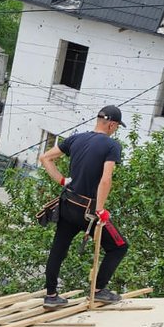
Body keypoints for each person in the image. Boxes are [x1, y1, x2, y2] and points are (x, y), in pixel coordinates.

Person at [38, 105, 130, 309]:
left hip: (68, 204)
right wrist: (101, 210)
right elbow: (106, 180)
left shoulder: (76, 138)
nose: (115, 130)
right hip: (89, 211)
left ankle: (51, 295)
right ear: (112, 124)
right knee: (119, 247)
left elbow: (45, 158)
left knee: (58, 249)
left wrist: (62, 181)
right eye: (116, 127)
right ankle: (98, 290)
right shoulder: (111, 146)